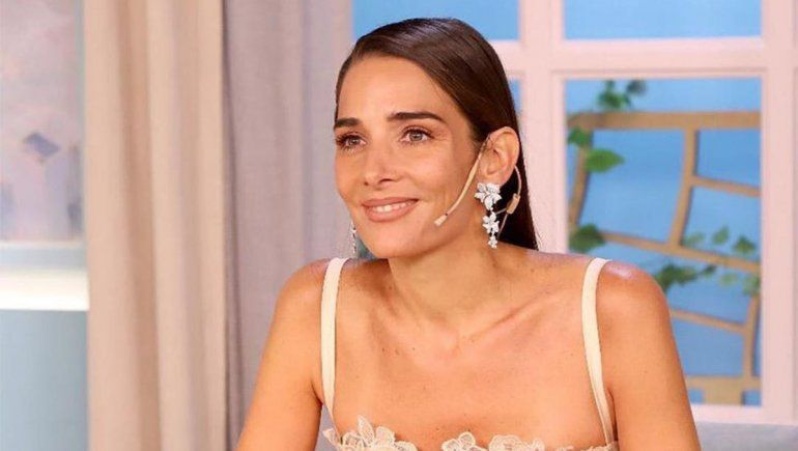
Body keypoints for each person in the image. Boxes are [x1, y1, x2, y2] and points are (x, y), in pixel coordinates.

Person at [236, 18, 700, 450]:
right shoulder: (316, 308)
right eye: (352, 140)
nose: (374, 172)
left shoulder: (613, 309)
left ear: (495, 158)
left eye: (415, 135)